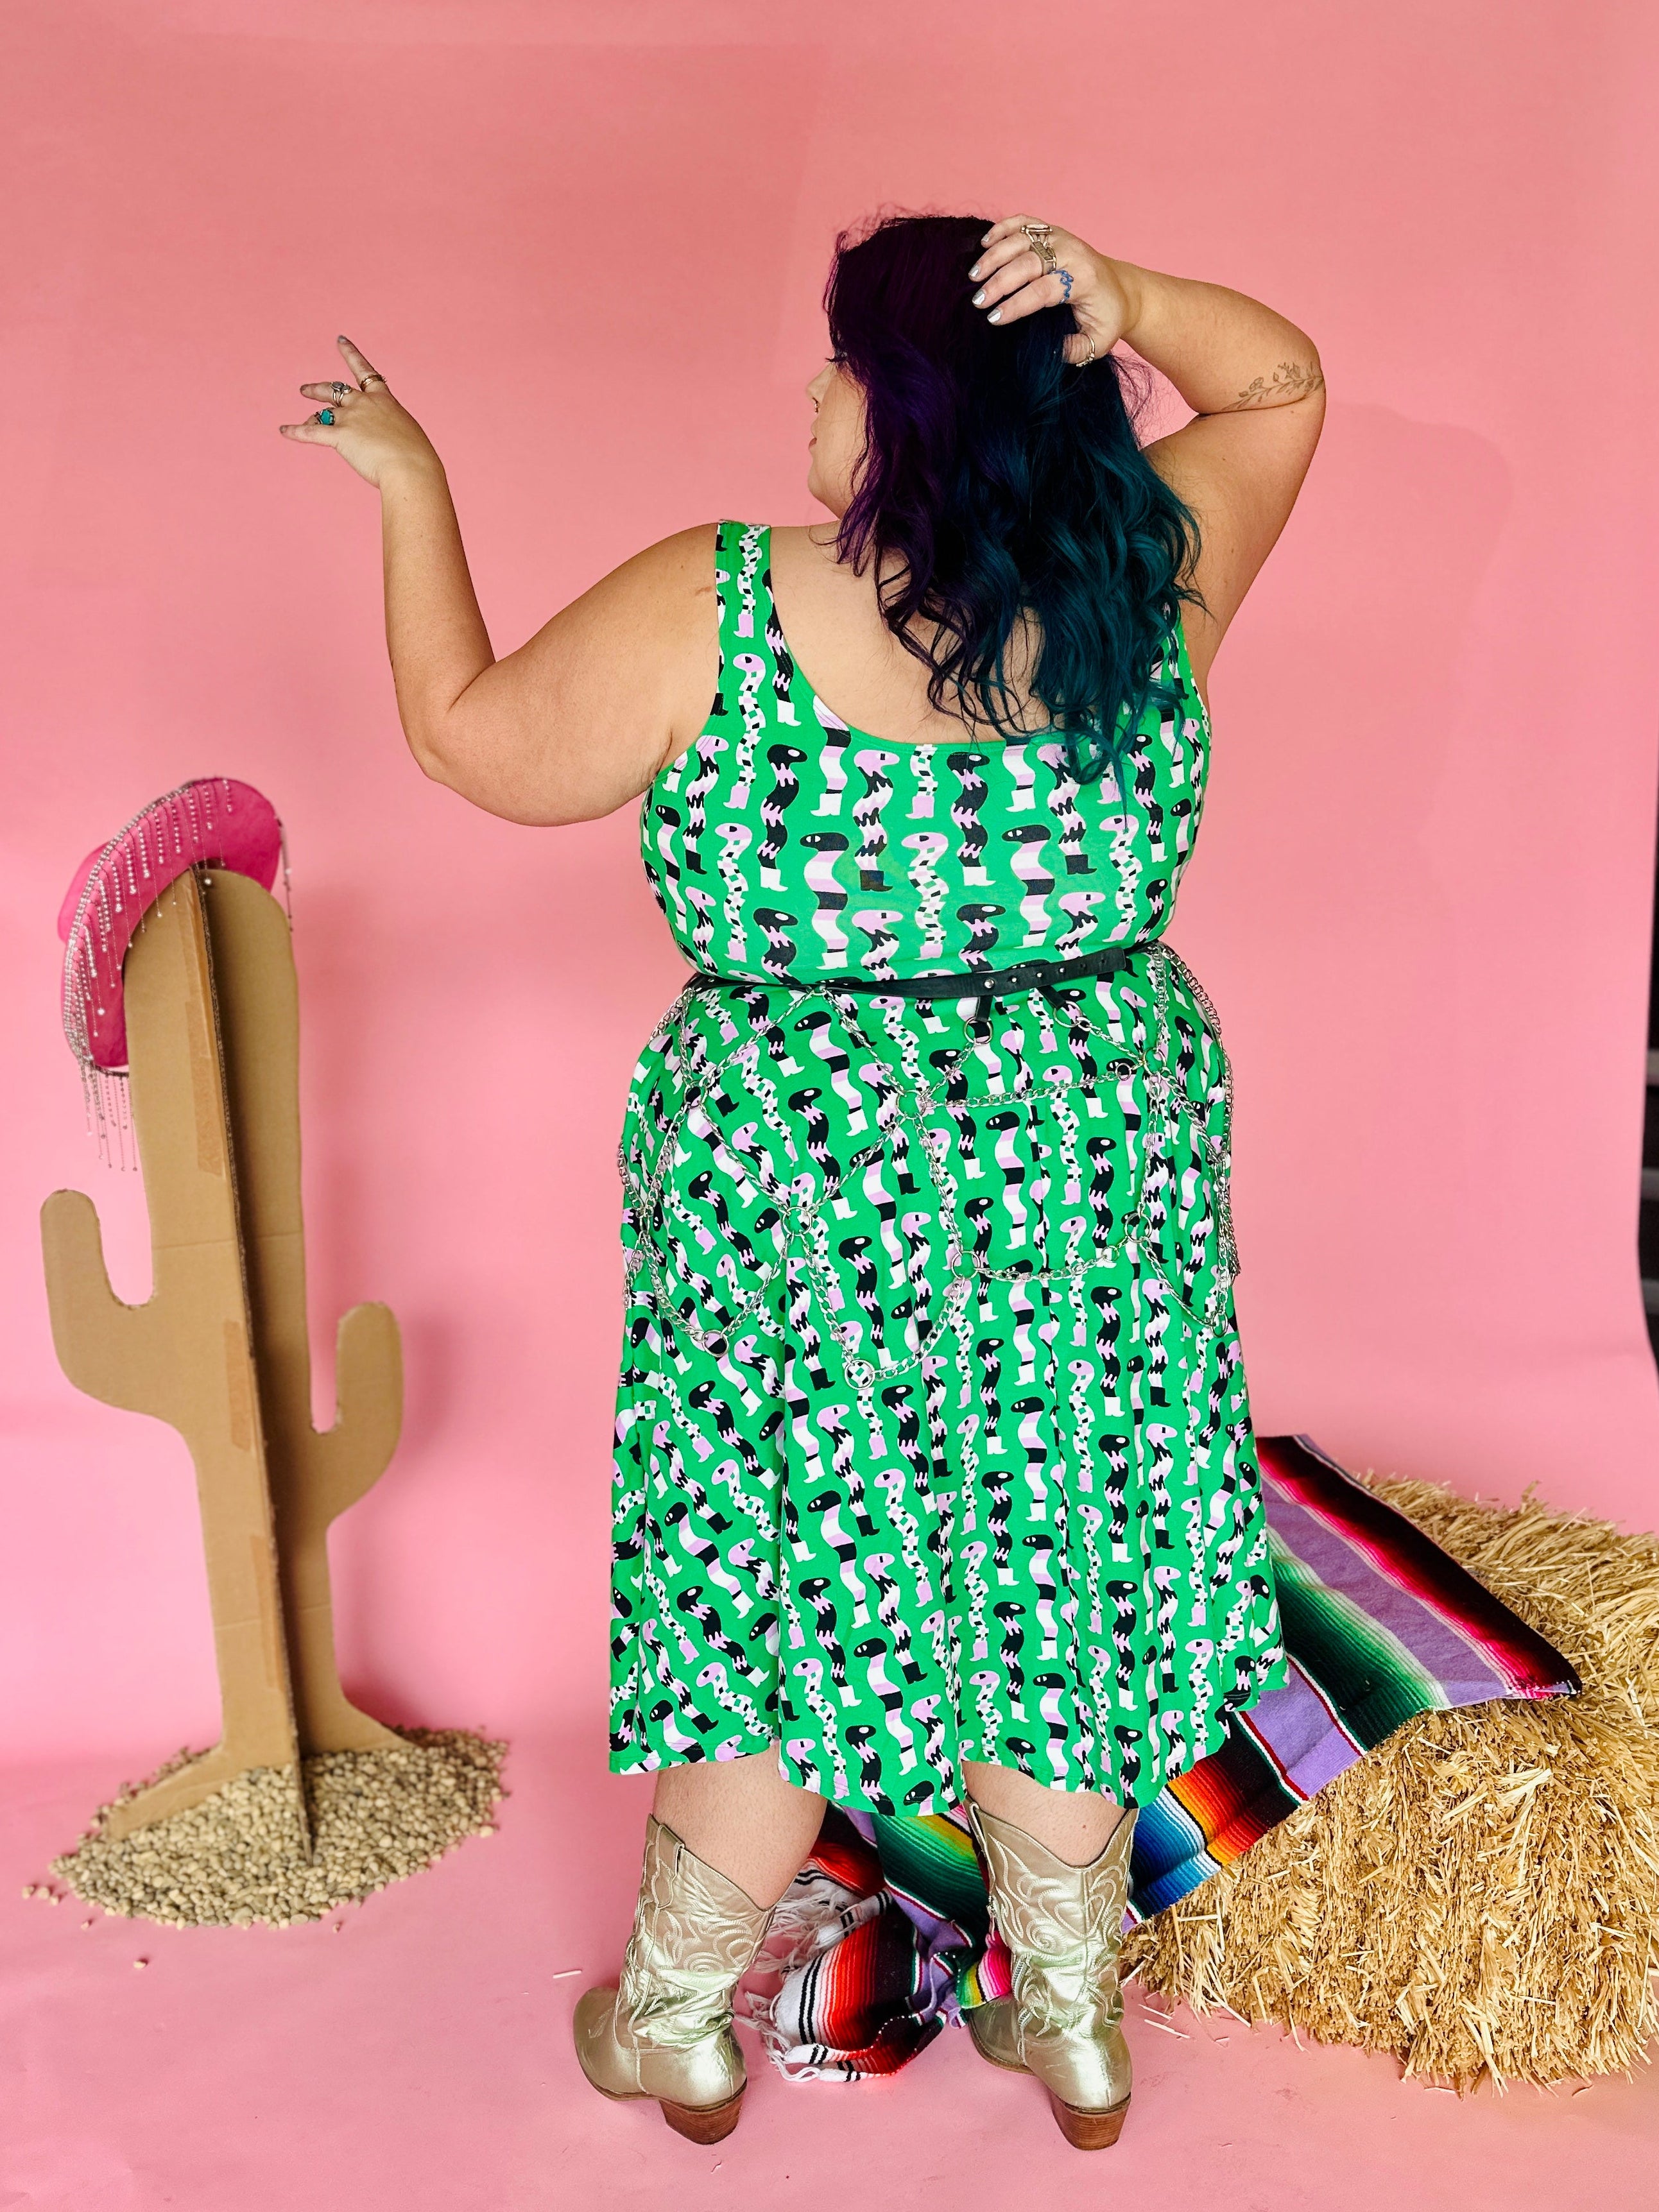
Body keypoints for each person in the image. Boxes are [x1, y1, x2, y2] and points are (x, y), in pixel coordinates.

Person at [280, 209, 1325, 2150]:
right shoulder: (1140, 578)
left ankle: (676, 2022)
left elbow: (473, 740)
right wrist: (1128, 303)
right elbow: (1277, 384)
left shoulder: (723, 602)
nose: (817, 394)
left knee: (768, 1590)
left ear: (912, 403)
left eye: (845, 363)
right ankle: (1074, 2020)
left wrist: (412, 487)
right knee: (1058, 1580)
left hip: (800, 1175)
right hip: (1093, 1154)